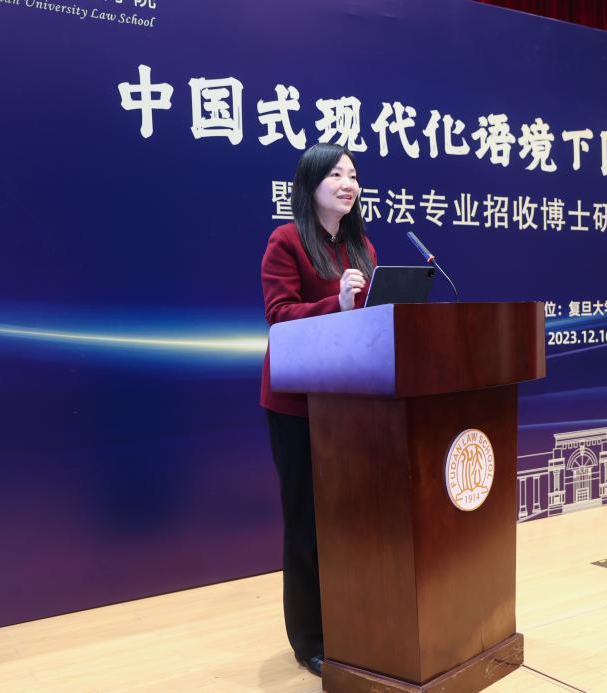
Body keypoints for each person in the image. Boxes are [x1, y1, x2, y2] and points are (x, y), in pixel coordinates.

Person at [259, 143, 376, 677]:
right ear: (310, 185)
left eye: (353, 175)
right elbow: (279, 315)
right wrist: (338, 304)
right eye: (335, 175)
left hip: (350, 401)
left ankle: (352, 619)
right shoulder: (286, 241)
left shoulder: (362, 247)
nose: (348, 183)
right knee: (307, 521)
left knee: (348, 519)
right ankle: (309, 638)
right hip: (298, 403)